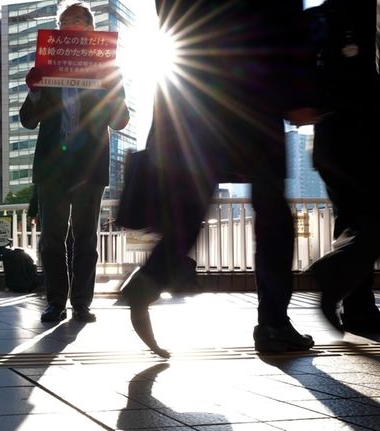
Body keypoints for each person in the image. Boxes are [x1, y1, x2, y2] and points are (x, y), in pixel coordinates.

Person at [118, 0, 320, 357]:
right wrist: (301, 91)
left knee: (192, 199)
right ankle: (274, 323)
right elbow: (284, 20)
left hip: (192, 84)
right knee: (272, 208)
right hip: (253, 85)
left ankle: (151, 278)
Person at [19, 2, 130, 323]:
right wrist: (36, 89)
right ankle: (55, 302)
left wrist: (108, 86)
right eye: (66, 22)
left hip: (89, 167)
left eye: (80, 21)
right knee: (51, 239)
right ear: (57, 33)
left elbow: (120, 120)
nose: (73, 26)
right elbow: (27, 121)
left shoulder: (109, 72)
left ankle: (82, 303)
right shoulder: (45, 71)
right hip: (52, 169)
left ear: (92, 32)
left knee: (85, 238)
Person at [306, 0, 380, 333]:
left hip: (326, 139)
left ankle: (359, 308)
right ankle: (334, 274)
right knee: (371, 219)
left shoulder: (316, 18)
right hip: (363, 137)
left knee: (350, 219)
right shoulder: (364, 14)